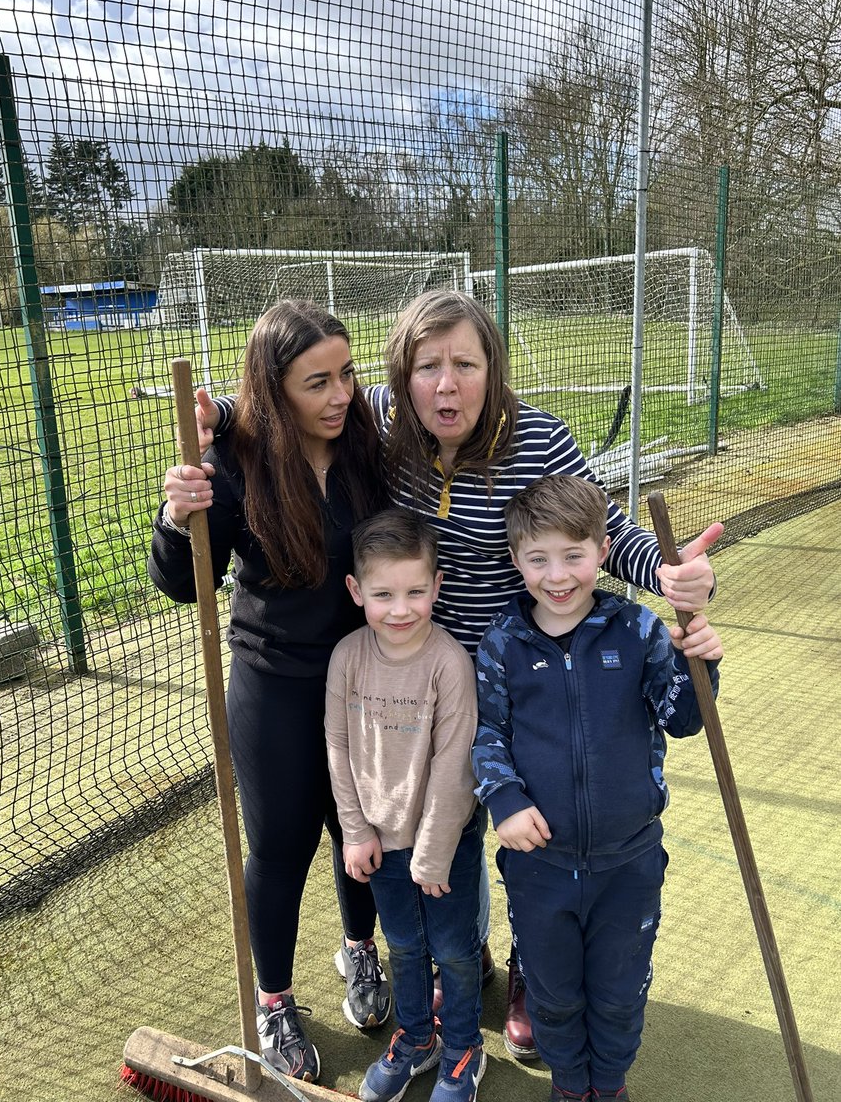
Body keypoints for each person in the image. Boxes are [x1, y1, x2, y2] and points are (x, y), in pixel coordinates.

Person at [190, 288, 722, 1058]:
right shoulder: (384, 424)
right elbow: (286, 402)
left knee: (533, 826)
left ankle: (534, 965)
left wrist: (669, 573)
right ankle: (460, 957)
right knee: (442, 828)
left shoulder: (537, 439)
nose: (447, 385)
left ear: (492, 369)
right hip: (417, 678)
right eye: (428, 367)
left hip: (518, 674)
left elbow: (603, 527)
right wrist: (223, 419)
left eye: (465, 365)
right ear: (402, 377)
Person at [148, 300, 391, 1083]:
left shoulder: (368, 445)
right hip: (273, 683)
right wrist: (174, 516)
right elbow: (182, 583)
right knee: (282, 845)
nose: (340, 394)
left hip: (361, 679)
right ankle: (275, 1000)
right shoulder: (231, 466)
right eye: (317, 382)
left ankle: (360, 950)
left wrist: (224, 406)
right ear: (274, 389)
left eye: (346, 373)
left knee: (359, 832)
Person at [472, 474, 722, 1102]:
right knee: (552, 994)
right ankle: (569, 1087)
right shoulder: (502, 642)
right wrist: (504, 799)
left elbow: (683, 718)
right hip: (539, 865)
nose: (557, 576)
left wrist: (699, 662)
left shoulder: (637, 630)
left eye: (573, 555)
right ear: (515, 559)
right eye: (537, 559)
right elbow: (487, 732)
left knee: (619, 992)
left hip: (628, 861)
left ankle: (607, 1086)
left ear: (603, 550)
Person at [325, 508, 486, 1102]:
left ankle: (463, 1046)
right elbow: (337, 746)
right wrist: (354, 829)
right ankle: (417, 1038)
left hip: (445, 844)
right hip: (379, 840)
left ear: (437, 586)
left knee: (454, 951)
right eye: (383, 594)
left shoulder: (449, 662)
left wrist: (436, 849)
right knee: (404, 946)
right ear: (356, 590)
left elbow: (455, 761)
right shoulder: (347, 657)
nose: (401, 609)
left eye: (416, 592)